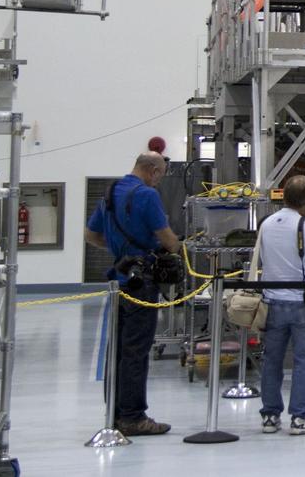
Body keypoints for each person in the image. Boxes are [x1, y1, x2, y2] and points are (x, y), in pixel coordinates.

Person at [84, 151, 180, 436]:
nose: (159, 180)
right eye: (160, 174)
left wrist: (120, 253)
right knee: (137, 350)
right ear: (152, 170)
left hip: (119, 278)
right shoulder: (147, 195)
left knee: (118, 350)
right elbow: (167, 239)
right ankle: (134, 417)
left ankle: (115, 412)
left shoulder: (111, 191)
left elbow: (91, 236)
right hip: (143, 283)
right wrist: (174, 247)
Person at [258, 175, 305, 435]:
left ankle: (270, 416)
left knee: (272, 361)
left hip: (272, 301)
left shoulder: (267, 224)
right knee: (303, 361)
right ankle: (300, 417)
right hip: (303, 303)